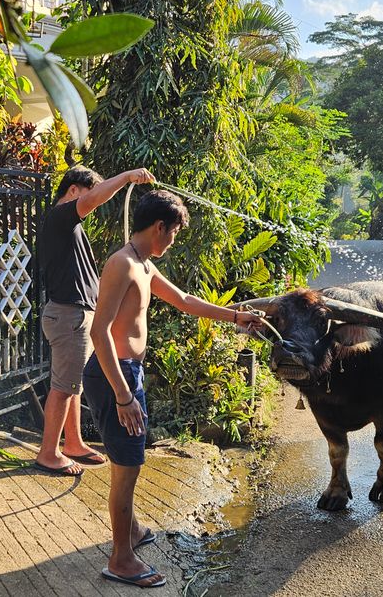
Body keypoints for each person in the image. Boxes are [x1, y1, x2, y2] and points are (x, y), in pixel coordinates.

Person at [84, 190, 263, 588]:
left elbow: (183, 300)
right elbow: (99, 333)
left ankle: (129, 534)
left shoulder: (144, 266)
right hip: (114, 375)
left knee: (130, 457)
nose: (174, 241)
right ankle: (121, 560)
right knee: (127, 466)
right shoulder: (122, 265)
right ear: (159, 227)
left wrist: (236, 316)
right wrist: (123, 395)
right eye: (174, 234)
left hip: (127, 373)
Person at [34, 165, 156, 476]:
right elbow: (96, 199)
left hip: (74, 315)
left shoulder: (67, 227)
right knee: (62, 388)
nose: (94, 202)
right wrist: (127, 177)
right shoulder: (61, 216)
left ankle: (72, 443)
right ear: (73, 190)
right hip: (68, 316)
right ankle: (49, 453)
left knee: (72, 385)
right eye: (90, 193)